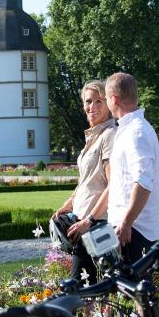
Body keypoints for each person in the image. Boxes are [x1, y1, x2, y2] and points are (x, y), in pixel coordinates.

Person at [79, 72, 159, 263]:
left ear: (114, 99)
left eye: (105, 98)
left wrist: (126, 223)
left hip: (135, 232)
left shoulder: (136, 132)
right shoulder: (129, 129)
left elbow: (143, 183)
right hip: (128, 229)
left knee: (135, 289)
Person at [54, 81, 117, 283]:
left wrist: (89, 220)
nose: (93, 107)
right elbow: (86, 182)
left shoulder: (109, 135)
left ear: (108, 104)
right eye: (89, 101)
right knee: (90, 285)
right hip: (83, 223)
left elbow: (113, 184)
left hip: (98, 224)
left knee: (90, 285)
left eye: (99, 101)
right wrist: (68, 203)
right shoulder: (93, 137)